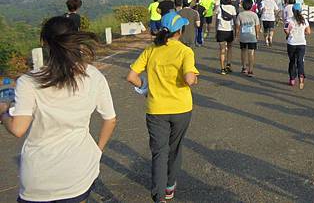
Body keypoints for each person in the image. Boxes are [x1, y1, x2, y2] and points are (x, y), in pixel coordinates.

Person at [0, 16, 117, 203]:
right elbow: (110, 119)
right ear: (75, 39)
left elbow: (17, 129)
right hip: (78, 173)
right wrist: (98, 151)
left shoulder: (28, 81)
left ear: (44, 43)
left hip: (38, 179)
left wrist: (4, 112)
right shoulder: (93, 75)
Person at [127, 11, 199, 203]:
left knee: (159, 152)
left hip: (156, 109)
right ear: (180, 31)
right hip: (181, 108)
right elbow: (189, 79)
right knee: (174, 149)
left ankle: (158, 196)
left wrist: (145, 88)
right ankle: (169, 186)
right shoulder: (185, 51)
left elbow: (131, 76)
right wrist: (193, 78)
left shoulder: (151, 49)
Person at [284, 3, 311, 88]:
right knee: (300, 60)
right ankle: (301, 76)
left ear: (292, 11)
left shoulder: (289, 20)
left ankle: (292, 79)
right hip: (301, 43)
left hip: (291, 43)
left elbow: (286, 30)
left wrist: (289, 33)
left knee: (292, 61)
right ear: (301, 10)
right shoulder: (304, 20)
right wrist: (302, 32)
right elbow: (308, 32)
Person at [235, 0, 261, 77]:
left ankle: (244, 67)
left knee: (243, 51)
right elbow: (257, 26)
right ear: (251, 6)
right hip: (252, 36)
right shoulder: (254, 15)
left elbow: (237, 26)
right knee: (251, 53)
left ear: (243, 6)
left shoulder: (240, 15)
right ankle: (250, 70)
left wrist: (236, 35)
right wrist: (257, 35)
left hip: (243, 36)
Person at [215, 0, 237, 75]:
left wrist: (216, 32)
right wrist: (236, 31)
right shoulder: (232, 8)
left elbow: (217, 21)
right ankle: (228, 65)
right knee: (230, 48)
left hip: (221, 30)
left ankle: (222, 69)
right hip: (229, 30)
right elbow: (235, 20)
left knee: (222, 50)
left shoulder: (219, 7)